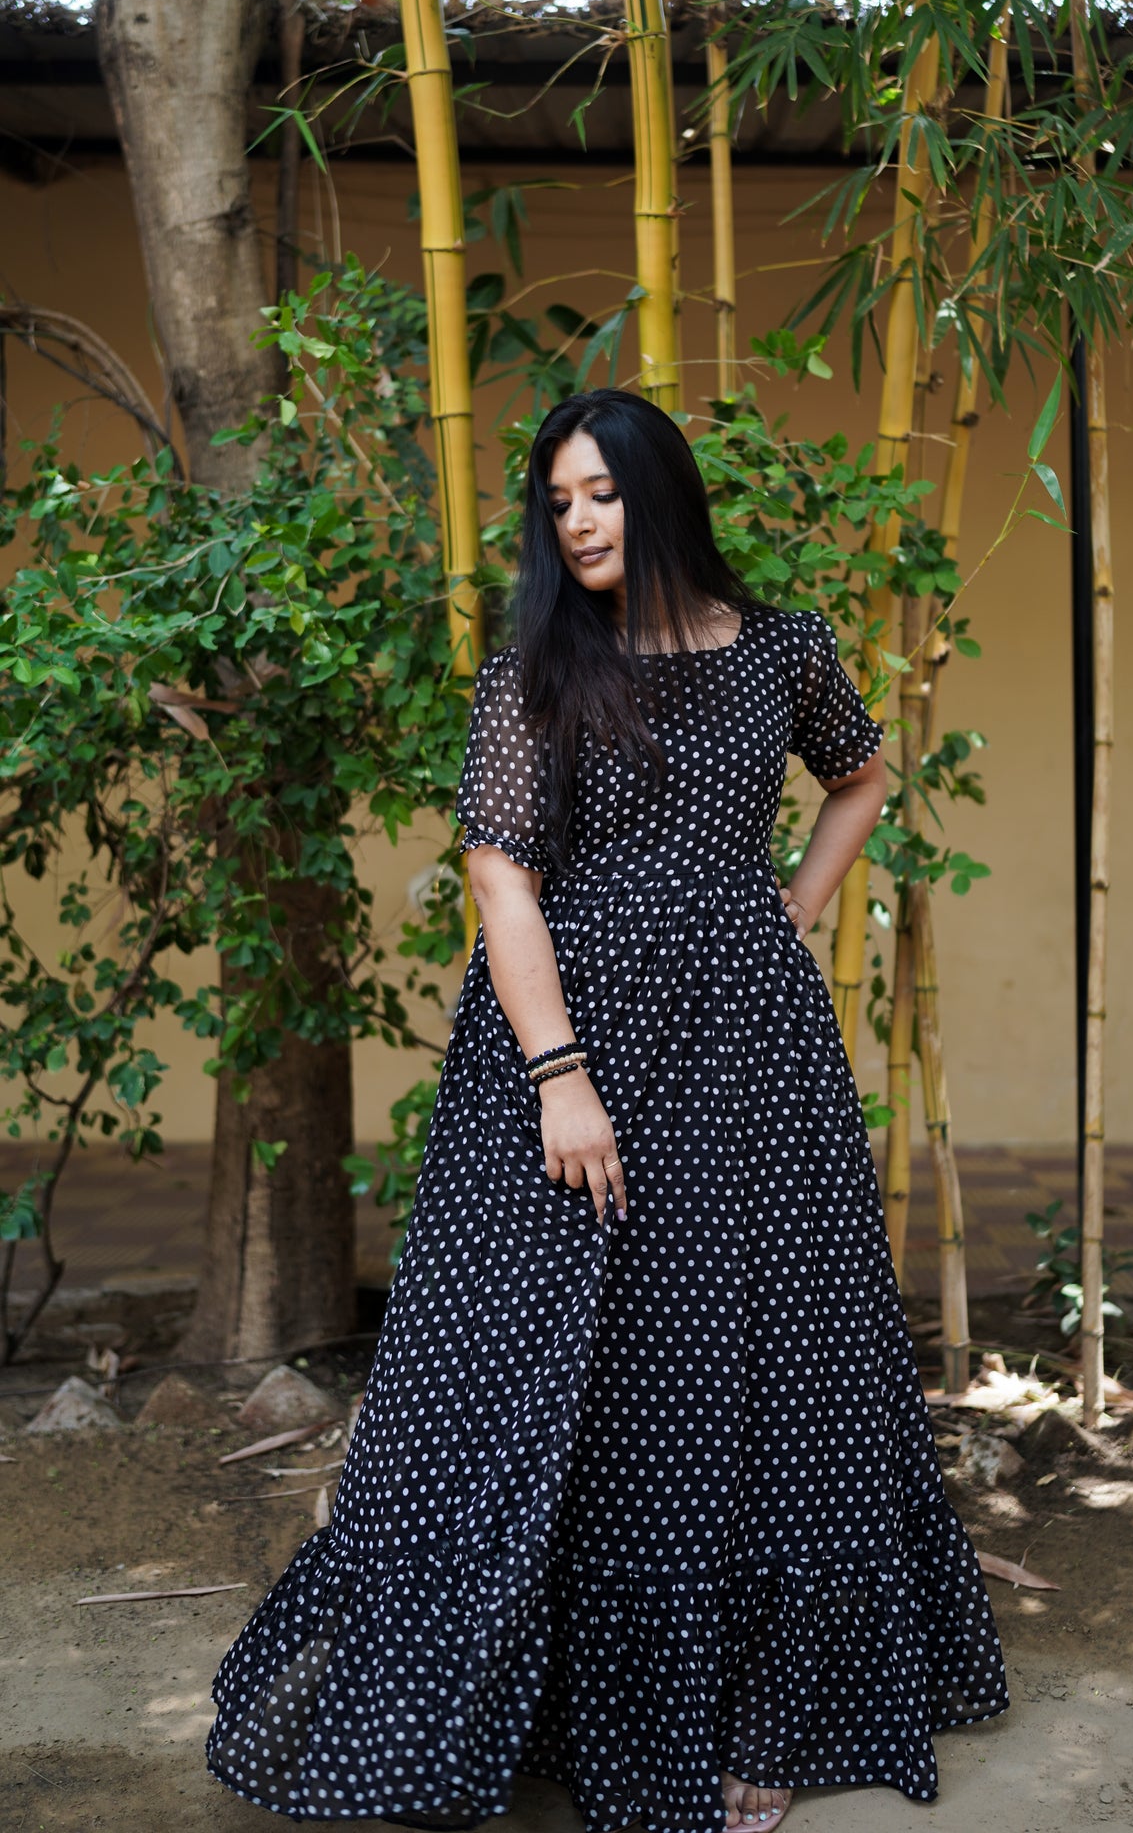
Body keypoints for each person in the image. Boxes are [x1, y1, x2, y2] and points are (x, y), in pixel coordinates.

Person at [207, 387, 1006, 1831]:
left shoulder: (782, 649)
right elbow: (500, 877)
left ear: (661, 496)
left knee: (763, 1363)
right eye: (556, 500)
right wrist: (557, 1078)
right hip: (565, 1048)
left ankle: (766, 1714)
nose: (574, 522)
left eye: (599, 494)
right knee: (524, 1367)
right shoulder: (536, 669)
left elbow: (861, 775)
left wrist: (796, 907)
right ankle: (529, 1707)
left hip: (749, 1051)